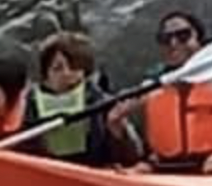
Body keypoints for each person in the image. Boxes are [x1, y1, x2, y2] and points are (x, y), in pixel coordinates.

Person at [105, 10, 212, 174]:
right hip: (165, 171)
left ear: (199, 40)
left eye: (183, 36)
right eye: (165, 39)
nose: (174, 43)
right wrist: (117, 126)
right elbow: (134, 154)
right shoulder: (151, 89)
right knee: (142, 168)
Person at [20, 31, 140, 167]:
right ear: (46, 75)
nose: (66, 74)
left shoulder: (104, 104)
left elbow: (131, 159)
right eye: (57, 68)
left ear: (85, 71)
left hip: (92, 177)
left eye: (74, 68)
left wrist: (116, 128)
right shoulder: (27, 108)